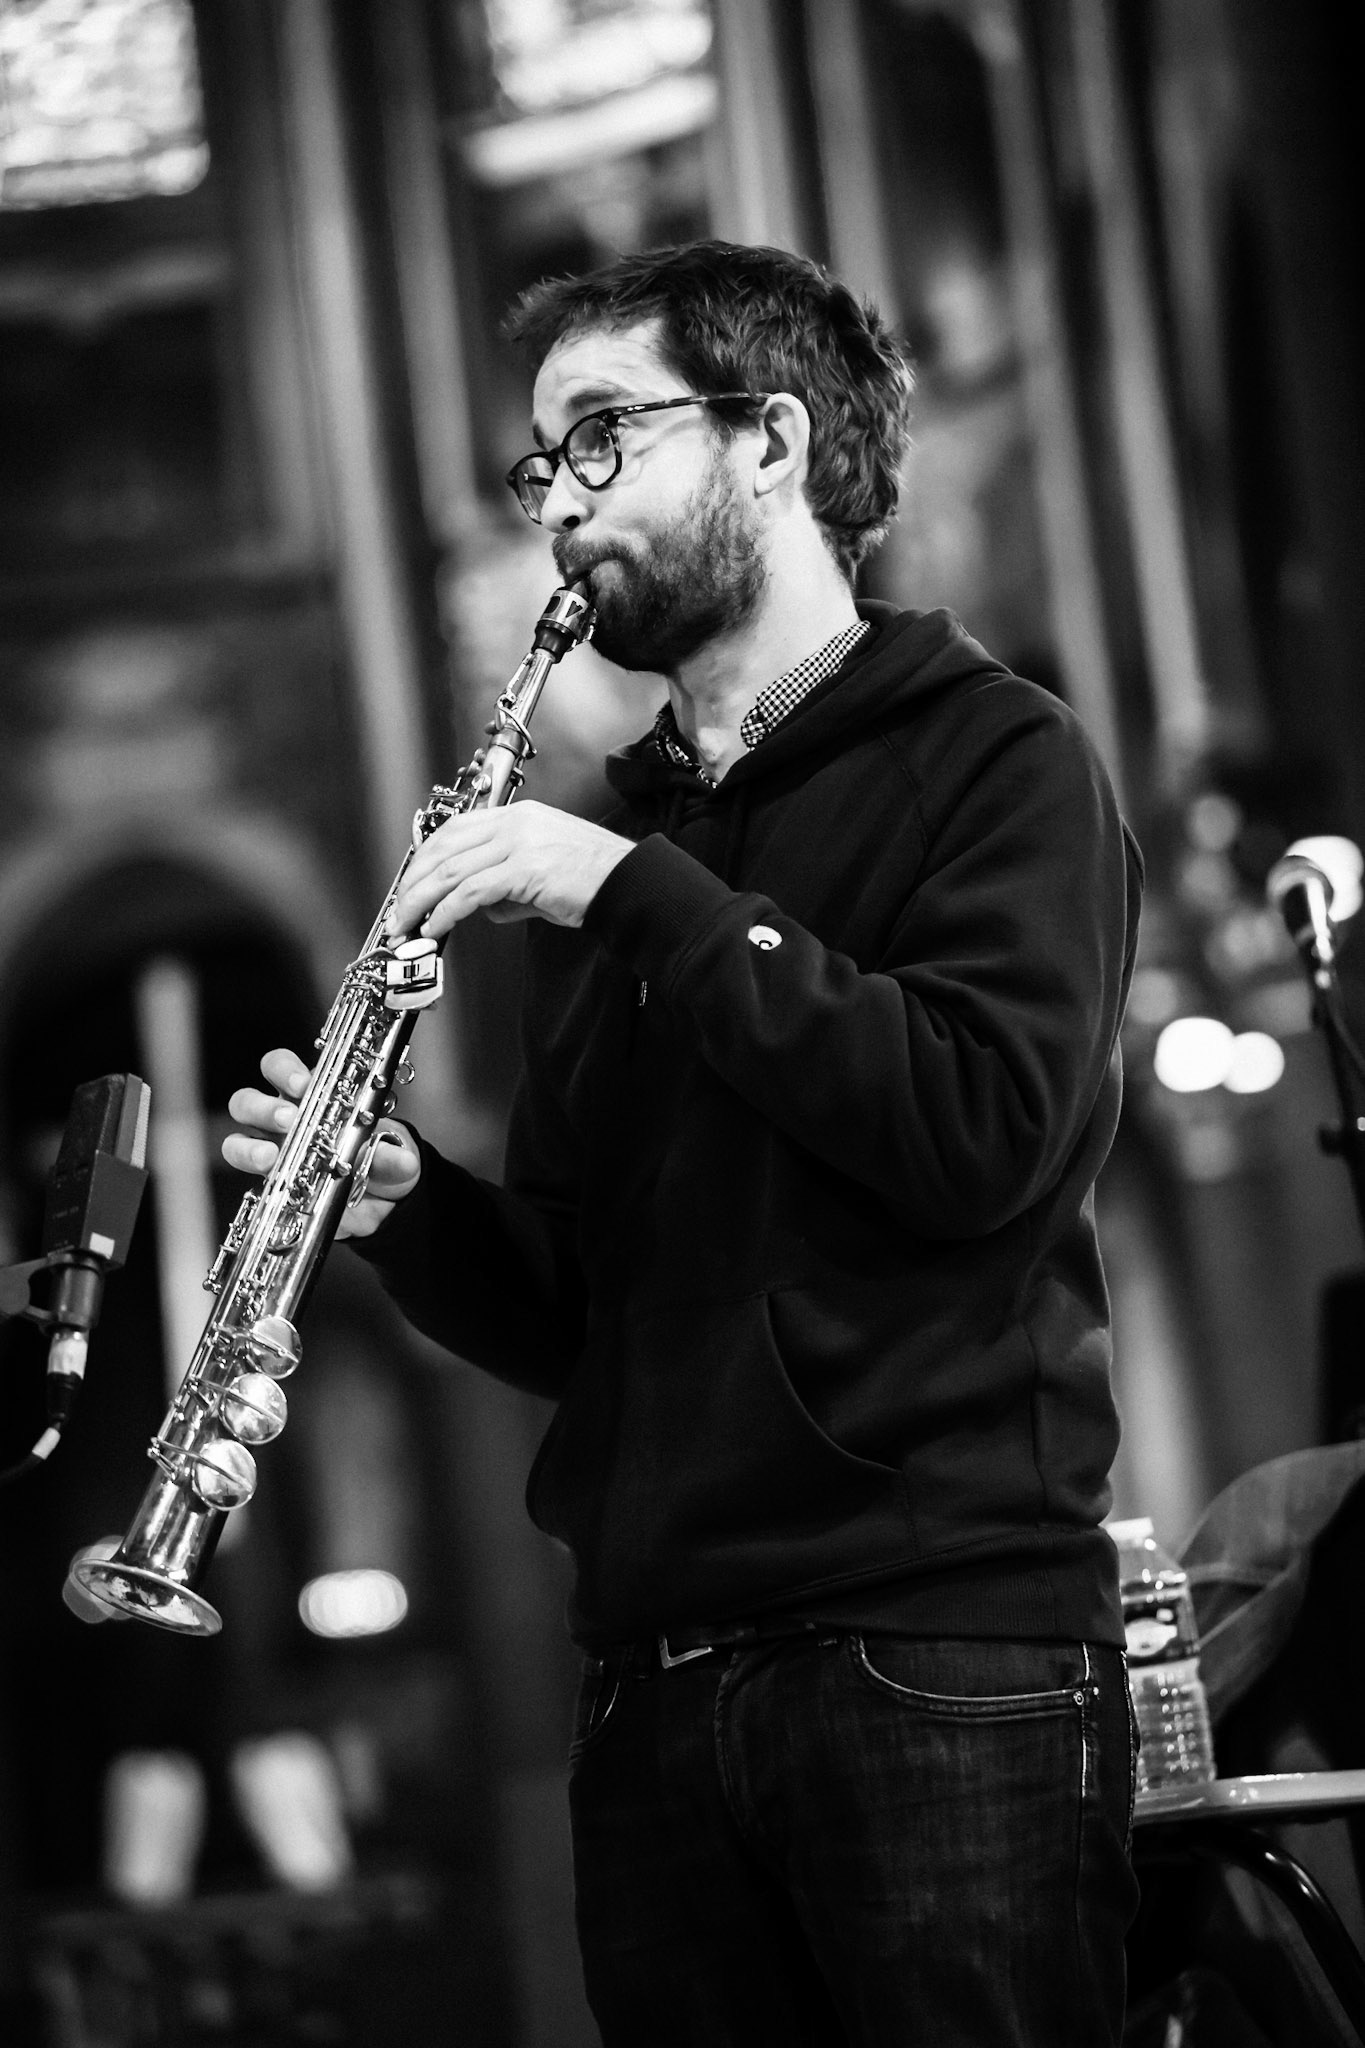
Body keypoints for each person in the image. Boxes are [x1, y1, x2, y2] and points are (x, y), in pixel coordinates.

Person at [226, 240, 1143, 2046]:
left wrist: (644, 904)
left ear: (768, 443)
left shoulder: (997, 759)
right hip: (651, 1678)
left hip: (930, 1651)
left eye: (599, 441)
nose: (555, 514)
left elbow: (976, 1132)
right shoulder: (617, 843)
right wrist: (412, 1215)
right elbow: (588, 1312)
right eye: (538, 464)